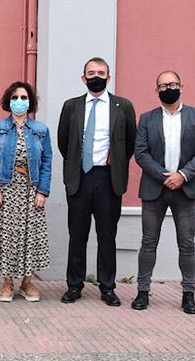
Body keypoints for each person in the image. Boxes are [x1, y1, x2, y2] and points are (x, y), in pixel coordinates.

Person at [57, 57, 136, 306]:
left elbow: (129, 143)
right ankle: (74, 285)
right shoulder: (71, 106)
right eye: (91, 72)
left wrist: (115, 166)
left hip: (108, 178)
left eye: (101, 72)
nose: (96, 76)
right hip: (79, 178)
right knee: (77, 235)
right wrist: (76, 165)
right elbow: (64, 142)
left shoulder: (123, 106)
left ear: (109, 78)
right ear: (83, 78)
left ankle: (107, 287)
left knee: (107, 235)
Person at [132, 71, 195, 314]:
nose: (169, 88)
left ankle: (189, 294)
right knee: (148, 242)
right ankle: (143, 292)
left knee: (187, 244)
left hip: (185, 189)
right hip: (155, 188)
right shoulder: (147, 118)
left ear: (181, 86)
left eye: (173, 84)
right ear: (156, 90)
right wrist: (165, 177)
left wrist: (182, 175)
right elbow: (141, 153)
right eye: (164, 85)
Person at [0, 82, 52, 302]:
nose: (19, 101)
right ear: (8, 100)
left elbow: (47, 162)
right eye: (15, 97)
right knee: (7, 235)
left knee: (29, 236)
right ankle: (7, 283)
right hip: (5, 188)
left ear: (30, 101)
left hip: (31, 190)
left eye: (24, 97)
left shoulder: (41, 130)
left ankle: (27, 283)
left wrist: (42, 191)